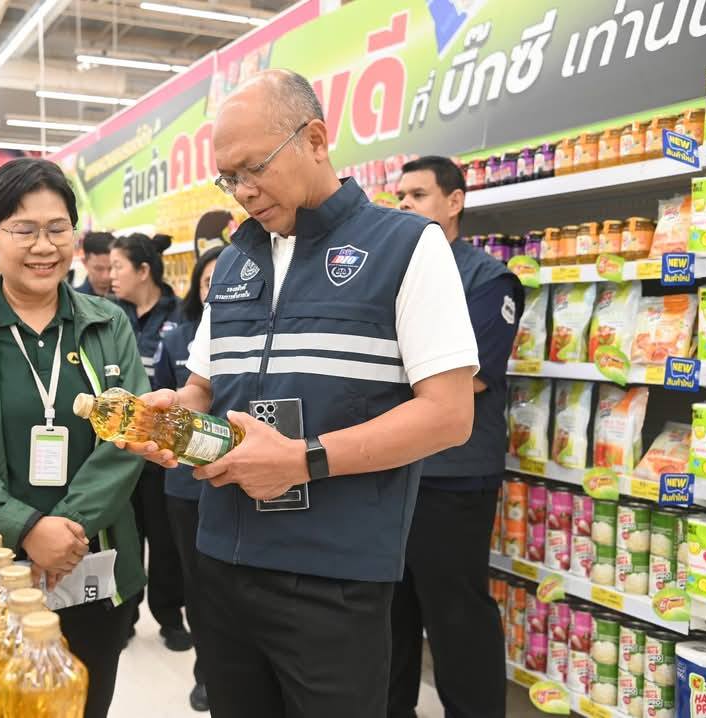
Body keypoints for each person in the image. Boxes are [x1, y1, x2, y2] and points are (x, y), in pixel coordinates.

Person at [117, 69, 479, 717]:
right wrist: (174, 411)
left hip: (333, 578)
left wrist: (302, 459)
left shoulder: (407, 247)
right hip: (221, 562)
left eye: (255, 168)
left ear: (315, 139)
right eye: (229, 178)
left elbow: (449, 415)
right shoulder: (236, 260)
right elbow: (203, 386)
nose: (243, 191)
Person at [0, 158, 145, 718]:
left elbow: (129, 435)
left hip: (92, 564)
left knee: (87, 700)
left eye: (58, 228)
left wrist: (68, 531)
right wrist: (28, 528)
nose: (44, 246)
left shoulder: (108, 324)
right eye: (24, 230)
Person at [390, 156, 523, 718]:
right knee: (390, 610)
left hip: (454, 474)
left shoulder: (488, 279)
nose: (404, 204)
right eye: (399, 196)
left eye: (418, 194)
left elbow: (472, 377)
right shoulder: (394, 272)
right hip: (394, 466)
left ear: (455, 201)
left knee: (455, 612)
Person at [110, 232, 190, 651]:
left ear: (143, 271)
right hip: (120, 446)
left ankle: (169, 616)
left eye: (118, 267)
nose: (112, 275)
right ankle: (125, 615)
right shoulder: (110, 317)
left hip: (163, 448)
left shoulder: (179, 315)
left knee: (164, 539)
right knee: (126, 533)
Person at [154, 244, 223, 712]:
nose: (217, 290)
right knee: (198, 585)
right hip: (186, 485)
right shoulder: (179, 337)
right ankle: (206, 675)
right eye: (208, 282)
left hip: (241, 480)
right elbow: (167, 397)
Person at [75, 231, 114, 297]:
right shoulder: (72, 300)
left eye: (111, 268)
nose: (106, 277)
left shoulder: (128, 297)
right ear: (84, 263)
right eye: (99, 269)